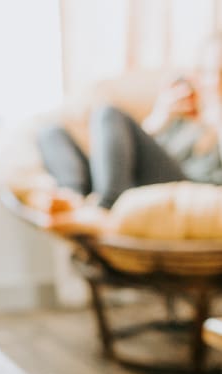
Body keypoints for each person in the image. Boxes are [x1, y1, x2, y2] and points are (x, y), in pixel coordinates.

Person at [35, 34, 222, 234]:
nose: (213, 81)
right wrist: (159, 118)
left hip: (183, 190)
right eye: (207, 72)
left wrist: (217, 114)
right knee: (50, 133)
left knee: (109, 113)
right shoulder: (182, 115)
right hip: (133, 182)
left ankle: (106, 208)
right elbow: (136, 151)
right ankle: (74, 199)